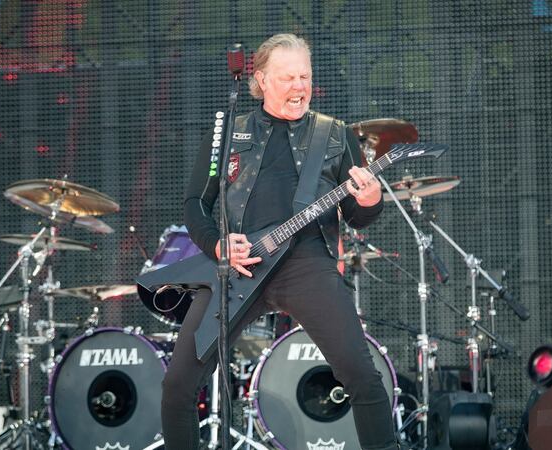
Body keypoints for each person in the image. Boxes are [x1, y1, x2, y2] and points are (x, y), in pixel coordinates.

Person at [160, 33, 398, 449]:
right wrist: (217, 245)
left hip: (307, 262)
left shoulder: (335, 134)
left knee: (363, 376)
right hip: (237, 266)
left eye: (304, 76)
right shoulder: (227, 132)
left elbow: (360, 216)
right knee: (178, 384)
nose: (299, 86)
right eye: (287, 77)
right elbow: (196, 203)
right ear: (262, 81)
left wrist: (371, 197)